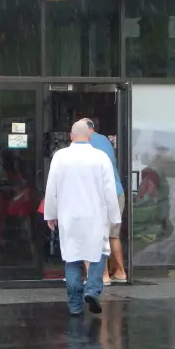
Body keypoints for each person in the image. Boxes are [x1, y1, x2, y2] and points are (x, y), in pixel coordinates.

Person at [44, 120, 121, 316]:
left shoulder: (60, 157)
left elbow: (51, 188)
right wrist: (114, 216)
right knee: (98, 254)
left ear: (71, 136)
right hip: (95, 216)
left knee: (71, 258)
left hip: (69, 216)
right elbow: (109, 190)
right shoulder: (100, 157)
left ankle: (75, 305)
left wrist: (50, 215)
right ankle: (93, 290)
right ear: (89, 136)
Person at [85, 117, 127, 284]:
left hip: (102, 194)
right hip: (118, 193)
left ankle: (103, 276)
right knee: (113, 236)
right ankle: (120, 272)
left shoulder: (87, 142)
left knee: (98, 235)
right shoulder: (105, 140)